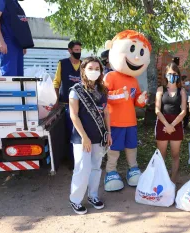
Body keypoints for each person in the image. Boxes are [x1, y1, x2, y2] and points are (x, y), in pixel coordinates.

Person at [103, 30, 149, 192]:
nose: (136, 57)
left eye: (141, 53)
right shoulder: (110, 77)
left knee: (131, 147)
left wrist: (141, 100)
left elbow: (135, 99)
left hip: (131, 121)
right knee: (114, 149)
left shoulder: (133, 79)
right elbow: (104, 98)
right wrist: (119, 95)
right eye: (132, 51)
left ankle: (133, 169)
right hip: (114, 122)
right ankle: (111, 171)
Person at [68, 56, 112, 215]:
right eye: (90, 68)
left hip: (99, 136)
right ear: (84, 71)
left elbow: (106, 112)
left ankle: (93, 195)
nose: (94, 71)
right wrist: (84, 137)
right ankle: (75, 200)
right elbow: (74, 116)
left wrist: (109, 133)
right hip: (81, 138)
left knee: (95, 168)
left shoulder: (102, 90)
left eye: (97, 69)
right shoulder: (76, 91)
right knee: (82, 169)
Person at [155, 62, 187, 183]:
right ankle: (161, 179)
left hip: (176, 124)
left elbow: (183, 111)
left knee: (175, 154)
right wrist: (166, 125)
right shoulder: (160, 89)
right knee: (161, 154)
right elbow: (157, 110)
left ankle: (172, 180)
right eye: (169, 74)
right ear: (165, 75)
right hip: (162, 124)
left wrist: (172, 125)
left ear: (178, 75)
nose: (172, 76)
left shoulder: (182, 91)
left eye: (174, 74)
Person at [53, 40, 82, 164]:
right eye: (76, 50)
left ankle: (80, 158)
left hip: (82, 105)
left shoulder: (84, 64)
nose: (78, 52)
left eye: (80, 50)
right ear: (70, 51)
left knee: (81, 131)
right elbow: (56, 82)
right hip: (66, 105)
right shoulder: (63, 63)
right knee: (69, 132)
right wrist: (55, 100)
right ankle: (70, 160)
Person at [0, 0, 34, 76]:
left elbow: (18, 22)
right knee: (10, 76)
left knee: (19, 77)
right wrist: (0, 40)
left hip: (17, 43)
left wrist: (23, 43)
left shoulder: (14, 1)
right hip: (7, 42)